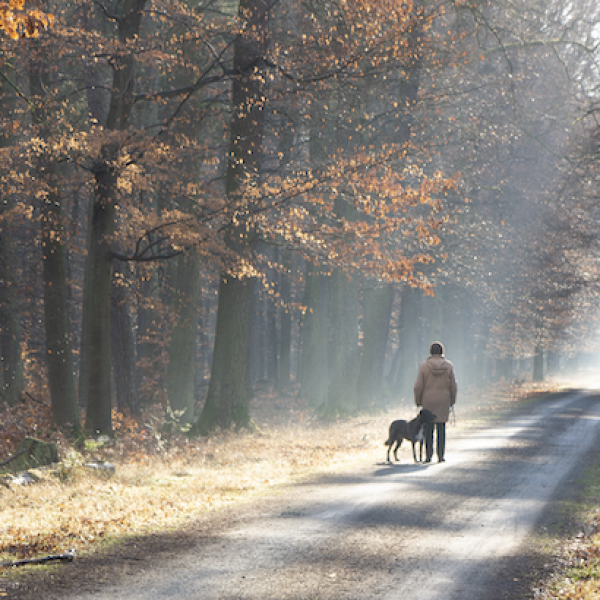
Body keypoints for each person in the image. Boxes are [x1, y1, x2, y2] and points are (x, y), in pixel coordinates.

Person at [414, 341, 457, 463]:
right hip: (443, 399)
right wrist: (452, 401)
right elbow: (453, 386)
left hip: (428, 399)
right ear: (442, 352)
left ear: (430, 352)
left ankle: (428, 456)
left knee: (428, 428)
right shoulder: (448, 366)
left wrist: (418, 401)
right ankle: (441, 455)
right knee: (441, 428)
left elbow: (418, 386)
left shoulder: (424, 366)